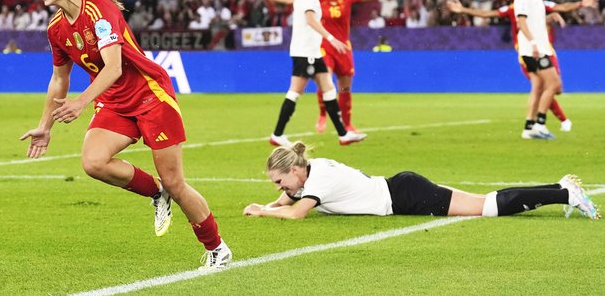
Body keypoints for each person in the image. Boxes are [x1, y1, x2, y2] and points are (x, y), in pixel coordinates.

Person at [20, 0, 231, 270]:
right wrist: (45, 125)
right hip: (114, 101)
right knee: (93, 162)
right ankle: (157, 193)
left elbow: (114, 67)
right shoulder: (56, 29)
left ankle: (217, 248)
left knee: (176, 181)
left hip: (150, 95)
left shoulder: (100, 11)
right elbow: (58, 78)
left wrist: (81, 102)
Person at [243, 142, 601, 220]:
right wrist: (271, 202)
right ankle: (560, 188)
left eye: (279, 181)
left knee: (487, 208)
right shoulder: (312, 170)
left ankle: (565, 194)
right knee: (486, 200)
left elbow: (296, 213)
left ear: (294, 170)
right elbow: (290, 199)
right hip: (401, 187)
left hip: (405, 197)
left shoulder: (317, 178)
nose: (280, 188)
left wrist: (263, 212)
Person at [260, 0, 402, 133]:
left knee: (345, 88)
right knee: (325, 80)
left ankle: (347, 124)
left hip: (343, 48)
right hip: (324, 47)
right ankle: (322, 115)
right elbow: (292, 0)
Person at [446, 0, 597, 138]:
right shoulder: (514, 8)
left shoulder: (538, 3)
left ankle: (530, 128)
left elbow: (561, 7)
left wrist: (579, 4)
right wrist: (462, 9)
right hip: (530, 50)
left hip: (541, 49)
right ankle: (547, 123)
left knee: (540, 87)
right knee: (551, 86)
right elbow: (487, 14)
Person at [268, 0, 367, 147]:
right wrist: (331, 38)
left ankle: (343, 134)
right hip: (306, 53)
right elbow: (311, 20)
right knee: (295, 92)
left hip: (312, 52)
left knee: (329, 88)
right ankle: (277, 134)